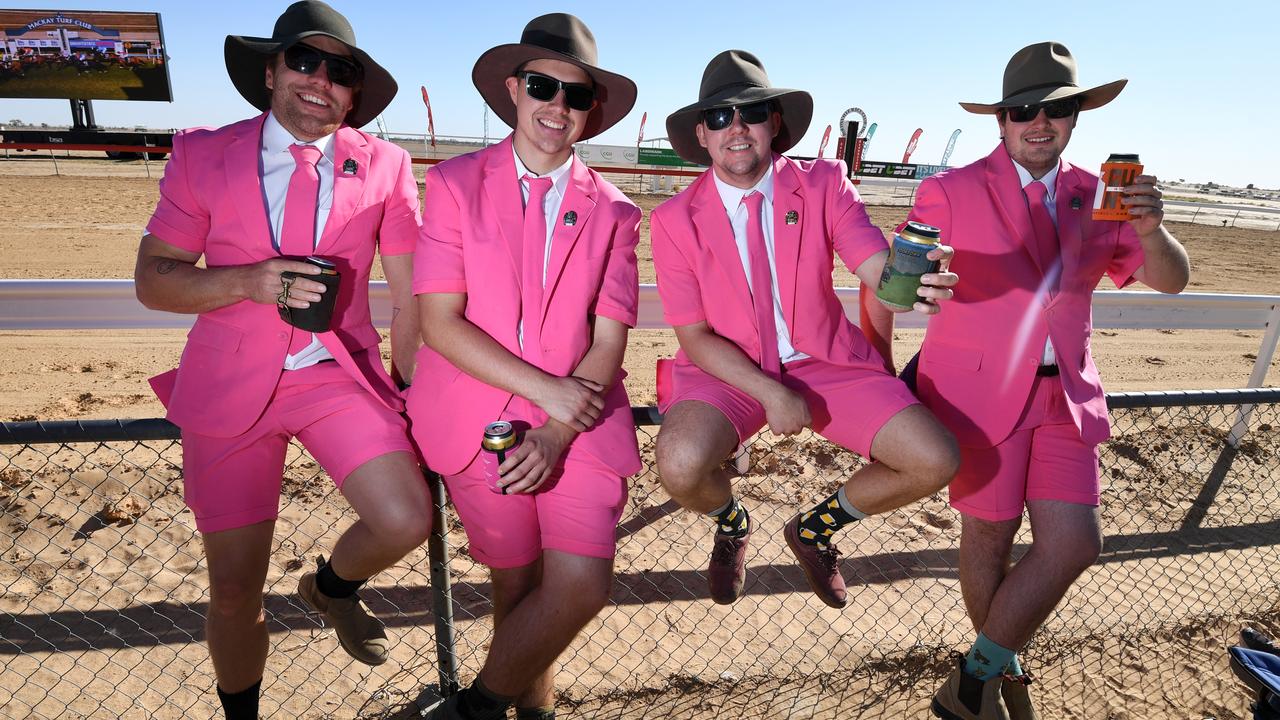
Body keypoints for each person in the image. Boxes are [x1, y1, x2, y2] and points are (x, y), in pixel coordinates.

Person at [133, 2, 430, 717]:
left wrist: (415, 386)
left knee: (405, 519)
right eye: (304, 61)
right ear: (271, 71)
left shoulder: (386, 164)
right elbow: (153, 280)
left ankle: (329, 589)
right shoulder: (203, 153)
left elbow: (410, 290)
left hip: (337, 375)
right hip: (228, 384)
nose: (319, 80)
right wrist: (247, 280)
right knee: (233, 592)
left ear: (353, 92)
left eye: (340, 71)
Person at [905, 42, 1190, 720]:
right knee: (990, 541)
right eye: (1023, 110)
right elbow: (899, 278)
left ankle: (970, 682)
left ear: (1075, 117)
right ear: (1001, 121)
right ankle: (1002, 680)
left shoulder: (1101, 197)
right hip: (976, 398)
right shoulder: (949, 189)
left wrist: (1153, 231)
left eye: (1055, 108)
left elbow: (1172, 280)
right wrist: (913, 282)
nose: (1040, 122)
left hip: (1064, 396)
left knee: (1074, 543)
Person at [650, 50, 961, 611]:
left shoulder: (823, 184)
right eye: (719, 117)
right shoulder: (673, 220)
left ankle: (814, 529)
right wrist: (770, 392)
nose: (736, 128)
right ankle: (732, 520)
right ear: (701, 133)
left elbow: (872, 262)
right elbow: (695, 335)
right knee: (677, 463)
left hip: (822, 361)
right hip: (727, 365)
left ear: (775, 123)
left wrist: (906, 281)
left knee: (934, 458)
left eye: (751, 112)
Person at [407, 14, 640, 720]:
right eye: (544, 85)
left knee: (580, 587)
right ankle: (530, 710)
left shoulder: (619, 213)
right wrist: (545, 395)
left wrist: (559, 430)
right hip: (477, 416)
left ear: (589, 111)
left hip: (583, 418)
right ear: (514, 89)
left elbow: (609, 341)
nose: (558, 106)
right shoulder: (449, 184)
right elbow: (438, 322)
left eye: (576, 95)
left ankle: (476, 709)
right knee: (513, 587)